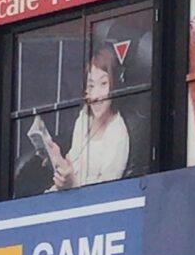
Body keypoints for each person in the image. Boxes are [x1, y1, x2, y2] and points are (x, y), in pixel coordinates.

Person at [44, 53, 130, 191]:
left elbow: (105, 194)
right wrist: (57, 160)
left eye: (103, 84)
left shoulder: (117, 135)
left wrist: (72, 184)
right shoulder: (85, 116)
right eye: (91, 86)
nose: (95, 95)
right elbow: (73, 160)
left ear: (114, 87)